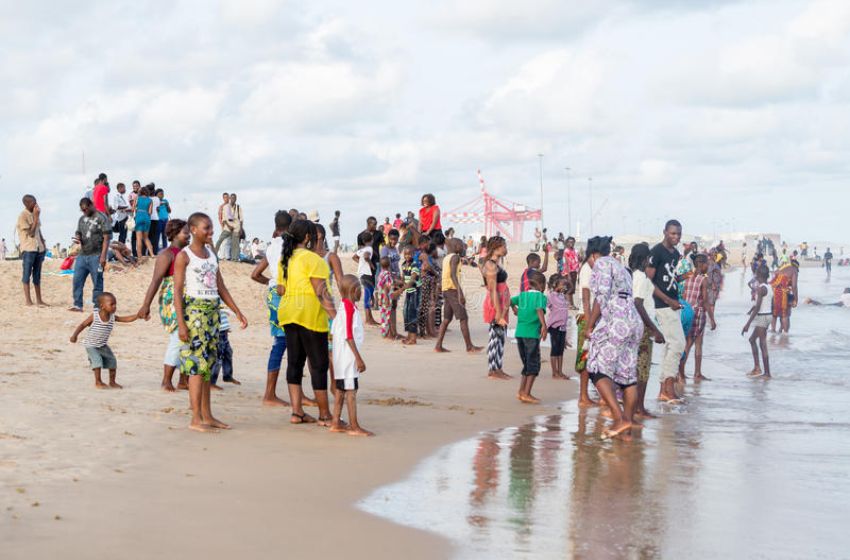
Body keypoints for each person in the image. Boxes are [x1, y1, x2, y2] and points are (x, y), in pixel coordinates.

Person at [174, 213, 248, 432]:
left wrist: (237, 311)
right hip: (195, 314)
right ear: (194, 229)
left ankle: (207, 415)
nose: (210, 232)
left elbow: (220, 286)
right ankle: (196, 418)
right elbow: (178, 292)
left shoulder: (211, 254)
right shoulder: (184, 256)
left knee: (208, 366)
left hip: (213, 313)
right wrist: (181, 323)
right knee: (197, 367)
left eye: (211, 228)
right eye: (206, 228)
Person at [277, 220, 337, 426]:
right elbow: (321, 291)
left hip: (288, 313)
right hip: (309, 314)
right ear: (308, 238)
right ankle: (324, 414)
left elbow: (280, 290)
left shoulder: (285, 259)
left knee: (295, 362)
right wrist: (336, 318)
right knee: (319, 365)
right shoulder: (314, 260)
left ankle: (297, 412)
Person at [585, 236, 644, 439]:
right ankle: (625, 428)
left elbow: (600, 300)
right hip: (634, 321)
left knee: (595, 368)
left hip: (617, 321)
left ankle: (619, 419)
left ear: (593, 255)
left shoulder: (601, 264)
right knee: (628, 376)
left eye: (588, 261)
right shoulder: (619, 266)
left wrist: (590, 325)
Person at [137, 219, 190, 392]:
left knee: (189, 339)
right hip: (171, 299)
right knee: (178, 337)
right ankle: (166, 380)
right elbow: (155, 281)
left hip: (188, 299)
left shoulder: (188, 252)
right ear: (174, 234)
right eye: (185, 232)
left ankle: (184, 379)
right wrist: (146, 305)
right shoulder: (167, 254)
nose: (188, 235)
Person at [250, 210, 292, 407]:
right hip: (287, 293)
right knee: (289, 342)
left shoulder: (271, 246)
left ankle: (271, 393)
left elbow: (255, 274)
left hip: (274, 292)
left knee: (280, 341)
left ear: (276, 227)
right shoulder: (290, 245)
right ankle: (271, 394)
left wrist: (271, 282)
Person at [647, 220, 686, 402]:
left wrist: (682, 279)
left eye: (678, 234)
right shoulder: (656, 252)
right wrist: (668, 300)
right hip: (662, 304)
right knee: (678, 345)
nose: (676, 237)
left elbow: (670, 276)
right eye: (672, 234)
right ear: (665, 232)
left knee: (671, 346)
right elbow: (649, 281)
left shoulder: (676, 253)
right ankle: (668, 387)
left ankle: (663, 389)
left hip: (674, 303)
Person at [329, 274, 373, 436]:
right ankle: (354, 426)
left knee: (341, 390)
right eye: (360, 289)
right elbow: (348, 335)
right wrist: (358, 359)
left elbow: (334, 334)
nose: (361, 292)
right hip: (348, 359)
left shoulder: (342, 307)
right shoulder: (349, 310)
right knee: (351, 392)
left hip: (340, 359)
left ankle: (335, 422)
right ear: (355, 291)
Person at [69, 292, 138, 389]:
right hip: (91, 345)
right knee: (97, 362)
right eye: (112, 304)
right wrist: (74, 335)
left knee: (112, 362)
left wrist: (138, 315)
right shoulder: (95, 316)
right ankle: (98, 382)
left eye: (115, 304)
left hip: (102, 345)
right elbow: (83, 325)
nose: (114, 307)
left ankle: (112, 382)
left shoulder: (112, 317)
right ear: (102, 306)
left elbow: (125, 319)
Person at [629, 243, 665, 419]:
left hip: (635, 326)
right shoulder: (641, 278)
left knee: (636, 368)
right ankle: (639, 408)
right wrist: (654, 329)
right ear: (645, 259)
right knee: (642, 369)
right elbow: (638, 303)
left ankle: (636, 406)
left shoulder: (632, 276)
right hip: (642, 328)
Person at [434, 238, 482, 353]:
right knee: (463, 318)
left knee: (446, 319)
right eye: (461, 245)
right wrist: (460, 293)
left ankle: (438, 345)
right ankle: (469, 346)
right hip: (452, 290)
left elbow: (444, 274)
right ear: (456, 247)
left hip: (446, 290)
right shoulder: (455, 257)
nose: (463, 247)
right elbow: (453, 276)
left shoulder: (446, 258)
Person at [510, 271, 548, 403]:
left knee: (526, 364)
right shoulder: (541, 297)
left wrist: (514, 309)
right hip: (531, 335)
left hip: (519, 334)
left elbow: (509, 301)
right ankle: (526, 393)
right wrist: (544, 325)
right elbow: (538, 309)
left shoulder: (522, 295)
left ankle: (521, 391)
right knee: (533, 365)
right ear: (542, 285)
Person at [679, 254, 716, 382]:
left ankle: (684, 372)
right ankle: (693, 373)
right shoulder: (703, 280)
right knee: (694, 344)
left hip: (686, 311)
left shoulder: (688, 276)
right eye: (707, 264)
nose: (708, 266)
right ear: (702, 264)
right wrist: (712, 319)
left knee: (687, 342)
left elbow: (683, 295)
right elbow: (705, 301)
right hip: (698, 313)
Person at [575, 244, 602, 407]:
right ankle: (583, 396)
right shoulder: (587, 269)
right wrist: (589, 323)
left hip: (593, 317)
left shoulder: (594, 268)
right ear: (593, 255)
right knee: (585, 357)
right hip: (587, 317)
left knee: (594, 358)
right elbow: (586, 297)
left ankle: (590, 395)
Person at [70, 198, 109, 312]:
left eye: (86, 209)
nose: (84, 212)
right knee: (77, 280)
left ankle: (97, 306)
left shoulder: (102, 218)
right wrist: (77, 237)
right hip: (82, 255)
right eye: (82, 210)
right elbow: (78, 232)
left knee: (97, 281)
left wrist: (103, 256)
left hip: (96, 255)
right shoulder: (82, 219)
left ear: (92, 205)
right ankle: (78, 304)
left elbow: (106, 239)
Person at [482, 236, 511, 380]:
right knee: (495, 337)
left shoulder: (496, 263)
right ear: (497, 247)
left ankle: (498, 367)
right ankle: (493, 369)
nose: (506, 249)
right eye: (504, 246)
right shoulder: (491, 265)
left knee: (500, 337)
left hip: (502, 304)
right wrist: (499, 313)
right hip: (495, 305)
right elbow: (493, 290)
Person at [18, 195, 48, 307]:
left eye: (36, 202)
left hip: (38, 248)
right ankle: (28, 301)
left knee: (37, 275)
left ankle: (39, 300)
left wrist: (43, 244)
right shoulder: (23, 216)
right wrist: (35, 218)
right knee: (26, 274)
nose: (36, 204)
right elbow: (30, 233)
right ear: (27, 204)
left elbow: (38, 231)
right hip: (28, 248)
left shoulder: (35, 214)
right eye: (33, 202)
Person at [743, 265, 772, 379]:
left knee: (762, 344)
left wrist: (747, 324)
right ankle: (757, 368)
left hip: (762, 317)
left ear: (759, 275)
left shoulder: (761, 289)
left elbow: (758, 307)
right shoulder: (768, 287)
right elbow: (766, 303)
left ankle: (766, 373)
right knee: (752, 340)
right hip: (767, 315)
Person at [546, 274, 571, 380]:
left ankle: (560, 372)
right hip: (554, 327)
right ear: (555, 284)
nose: (564, 286)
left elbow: (570, 288)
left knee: (561, 350)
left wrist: (567, 281)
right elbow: (545, 305)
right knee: (555, 349)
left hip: (562, 327)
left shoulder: (562, 295)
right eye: (562, 284)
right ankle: (554, 373)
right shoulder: (551, 296)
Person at [380, 229, 402, 338]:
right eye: (392, 239)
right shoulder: (385, 250)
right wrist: (393, 280)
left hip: (396, 278)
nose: (394, 241)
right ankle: (389, 332)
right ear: (389, 238)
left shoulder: (396, 249)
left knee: (394, 306)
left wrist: (399, 276)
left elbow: (396, 264)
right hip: (389, 280)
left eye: (396, 239)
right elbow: (385, 266)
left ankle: (394, 331)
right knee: (388, 306)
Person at [210, 309, 239, 389]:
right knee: (218, 358)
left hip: (223, 331)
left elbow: (223, 315)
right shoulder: (213, 300)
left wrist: (226, 327)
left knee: (228, 352)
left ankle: (227, 376)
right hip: (218, 332)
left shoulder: (221, 300)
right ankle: (211, 382)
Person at [353, 232, 377, 325]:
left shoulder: (362, 249)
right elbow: (367, 256)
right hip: (367, 274)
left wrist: (361, 264)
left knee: (369, 294)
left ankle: (370, 317)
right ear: (372, 240)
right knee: (368, 294)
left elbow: (354, 257)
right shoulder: (369, 248)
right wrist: (370, 264)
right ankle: (368, 318)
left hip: (362, 273)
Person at [770, 256, 798, 333]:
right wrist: (796, 299)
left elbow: (774, 278)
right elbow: (794, 286)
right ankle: (785, 335)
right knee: (784, 314)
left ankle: (773, 332)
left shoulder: (782, 268)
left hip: (774, 291)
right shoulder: (794, 270)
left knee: (774, 313)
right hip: (782, 293)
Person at [400, 245, 421, 345]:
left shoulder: (415, 265)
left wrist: (399, 291)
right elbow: (403, 279)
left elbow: (412, 280)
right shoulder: (404, 265)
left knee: (412, 314)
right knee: (406, 313)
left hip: (415, 292)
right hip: (409, 292)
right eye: (405, 254)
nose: (407, 256)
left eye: (409, 254)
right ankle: (409, 336)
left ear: (413, 254)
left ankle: (413, 339)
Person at [215, 193, 243, 262]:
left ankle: (233, 258)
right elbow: (222, 218)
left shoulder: (238, 207)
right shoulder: (224, 207)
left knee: (233, 243)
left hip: (236, 227)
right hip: (226, 227)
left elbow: (241, 219)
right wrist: (226, 226)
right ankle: (215, 255)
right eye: (231, 198)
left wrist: (240, 229)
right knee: (221, 240)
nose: (232, 199)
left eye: (234, 198)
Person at [132, 186, 155, 258]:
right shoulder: (150, 200)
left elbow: (133, 209)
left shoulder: (137, 198)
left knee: (138, 238)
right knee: (146, 238)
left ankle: (139, 257)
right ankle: (152, 254)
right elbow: (150, 212)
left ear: (140, 192)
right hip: (147, 218)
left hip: (139, 217)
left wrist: (137, 208)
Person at [563, 237, 580, 307]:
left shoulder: (576, 251)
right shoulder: (566, 251)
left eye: (572, 242)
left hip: (574, 271)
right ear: (567, 243)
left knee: (572, 288)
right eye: (569, 242)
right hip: (568, 271)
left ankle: (571, 303)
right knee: (569, 287)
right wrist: (568, 274)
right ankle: (569, 304)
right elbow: (566, 263)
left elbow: (578, 260)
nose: (571, 243)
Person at [147, 184, 161, 254]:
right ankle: (153, 253)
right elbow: (158, 209)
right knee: (154, 238)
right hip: (156, 219)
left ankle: (148, 252)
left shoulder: (147, 199)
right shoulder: (157, 198)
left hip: (149, 219)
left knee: (147, 237)